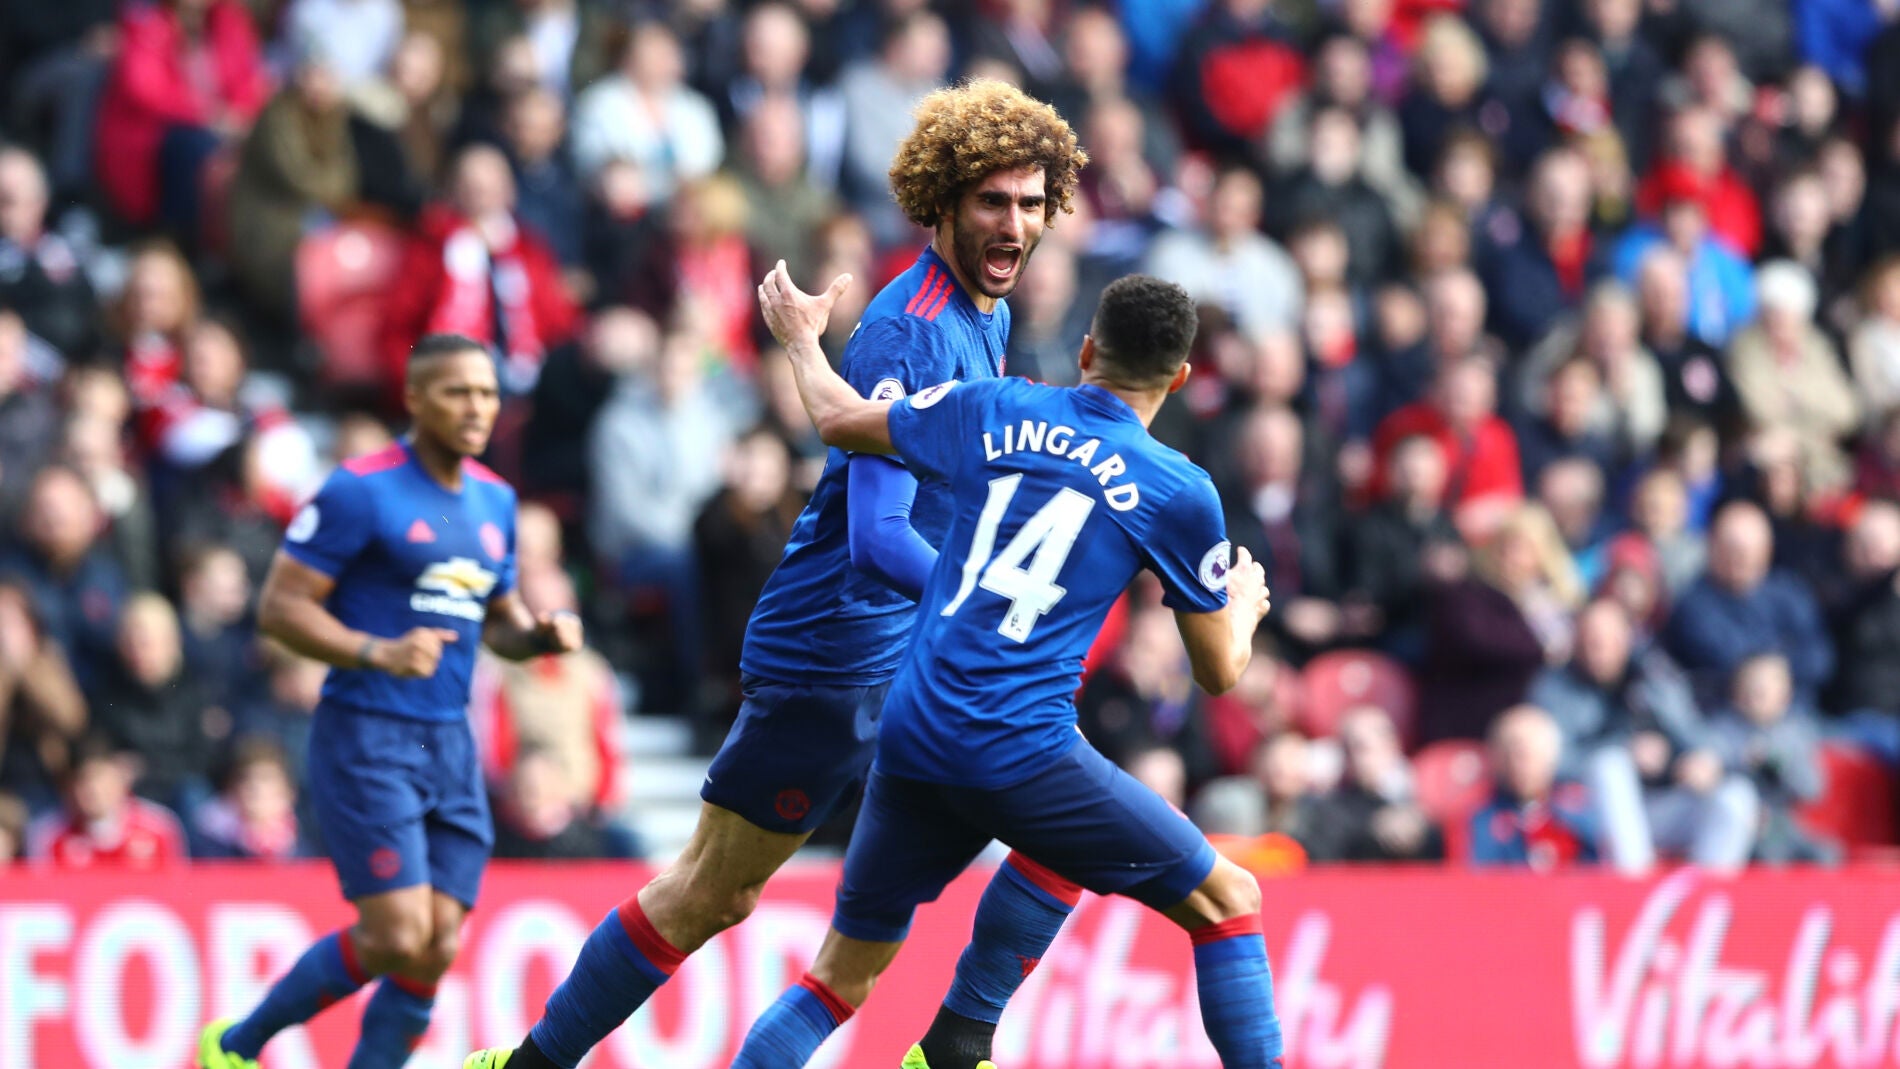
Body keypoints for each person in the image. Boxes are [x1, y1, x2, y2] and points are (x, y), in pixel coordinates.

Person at [460, 79, 1093, 1069]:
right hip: (834, 656)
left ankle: (949, 1046)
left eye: (1030, 203)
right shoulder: (913, 328)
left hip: (906, 652)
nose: (1014, 224)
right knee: (713, 891)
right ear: (940, 201)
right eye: (991, 201)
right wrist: (984, 606)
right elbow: (878, 534)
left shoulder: (987, 316)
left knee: (1060, 822)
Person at [740, 266, 1283, 1069]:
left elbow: (836, 416)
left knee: (838, 978)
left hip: (914, 728)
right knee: (1230, 899)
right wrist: (1243, 605)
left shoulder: (995, 405)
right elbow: (1218, 672)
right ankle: (959, 1040)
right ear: (1179, 378)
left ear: (1087, 350)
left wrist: (798, 339)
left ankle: (956, 1044)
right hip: (1016, 744)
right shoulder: (1178, 489)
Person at [195, 333, 584, 1069]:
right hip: (367, 731)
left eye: (488, 393)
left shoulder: (496, 500)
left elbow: (497, 620)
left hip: (450, 740)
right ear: (413, 398)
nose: (477, 408)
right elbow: (280, 608)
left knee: (436, 944)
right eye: (457, 392)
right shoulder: (360, 489)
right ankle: (236, 1046)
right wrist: (377, 651)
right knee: (397, 933)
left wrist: (536, 636)